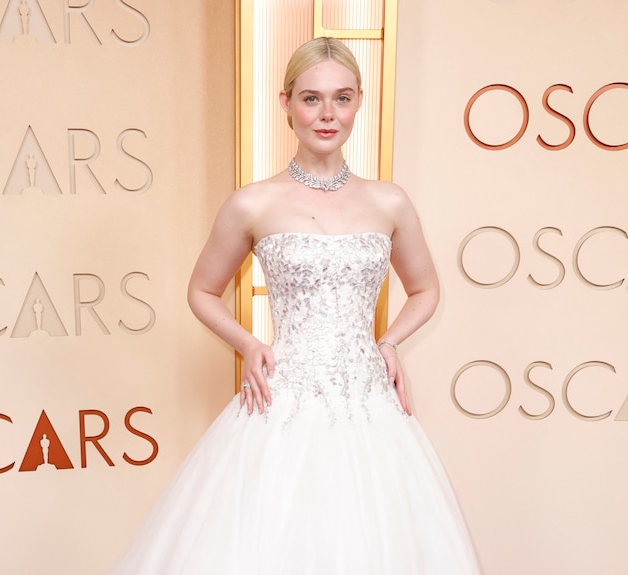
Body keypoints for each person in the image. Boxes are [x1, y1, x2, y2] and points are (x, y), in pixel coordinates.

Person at [108, 37, 480, 574]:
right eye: (311, 98)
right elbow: (202, 291)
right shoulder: (252, 203)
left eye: (342, 98)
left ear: (358, 102)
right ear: (285, 103)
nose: (328, 114)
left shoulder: (389, 201)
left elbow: (425, 289)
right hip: (283, 400)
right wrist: (248, 344)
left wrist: (390, 342)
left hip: (368, 404)